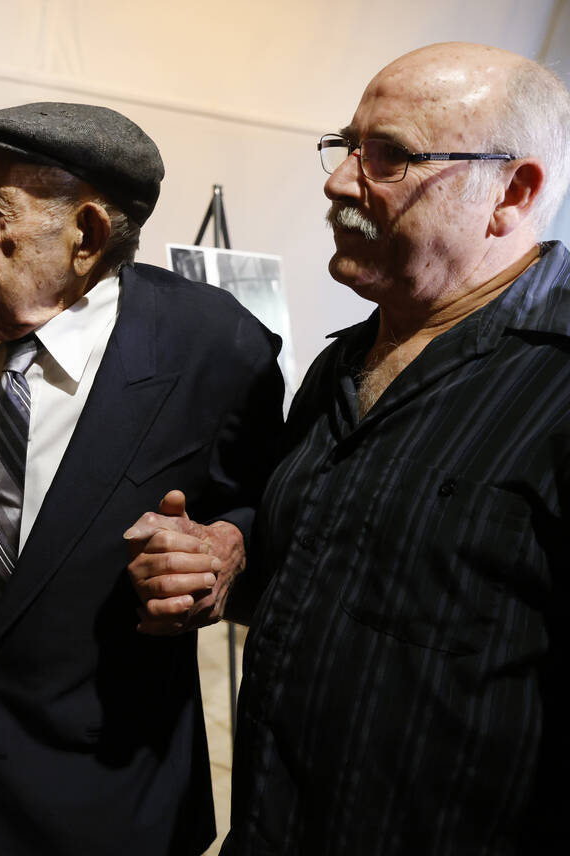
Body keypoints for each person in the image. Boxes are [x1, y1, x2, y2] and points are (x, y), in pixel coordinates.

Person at [127, 43, 570, 855]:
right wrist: (231, 552)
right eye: (347, 145)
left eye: (390, 157)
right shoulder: (343, 362)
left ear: (514, 191)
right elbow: (329, 549)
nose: (337, 182)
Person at [0, 102, 284, 855]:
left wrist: (225, 547)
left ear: (86, 235)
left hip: (109, 791)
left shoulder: (215, 348)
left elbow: (260, 507)